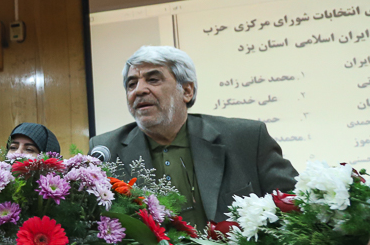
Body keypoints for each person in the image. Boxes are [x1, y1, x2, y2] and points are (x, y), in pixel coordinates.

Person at [89, 45, 296, 226]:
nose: (139, 90)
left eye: (153, 80)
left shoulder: (245, 139)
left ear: (187, 91)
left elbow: (296, 206)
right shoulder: (106, 151)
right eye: (131, 84)